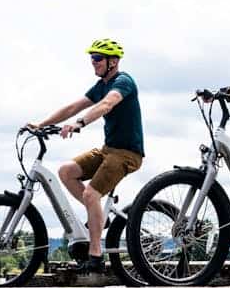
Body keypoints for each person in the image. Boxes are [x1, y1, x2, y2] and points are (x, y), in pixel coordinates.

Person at [27, 38, 144, 274]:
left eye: (98, 58)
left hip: (127, 153)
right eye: (92, 59)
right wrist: (41, 124)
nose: (94, 63)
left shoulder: (123, 82)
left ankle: (96, 256)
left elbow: (106, 105)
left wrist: (80, 123)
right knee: (66, 171)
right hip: (107, 149)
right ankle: (99, 218)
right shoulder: (100, 85)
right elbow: (73, 107)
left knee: (91, 194)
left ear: (113, 61)